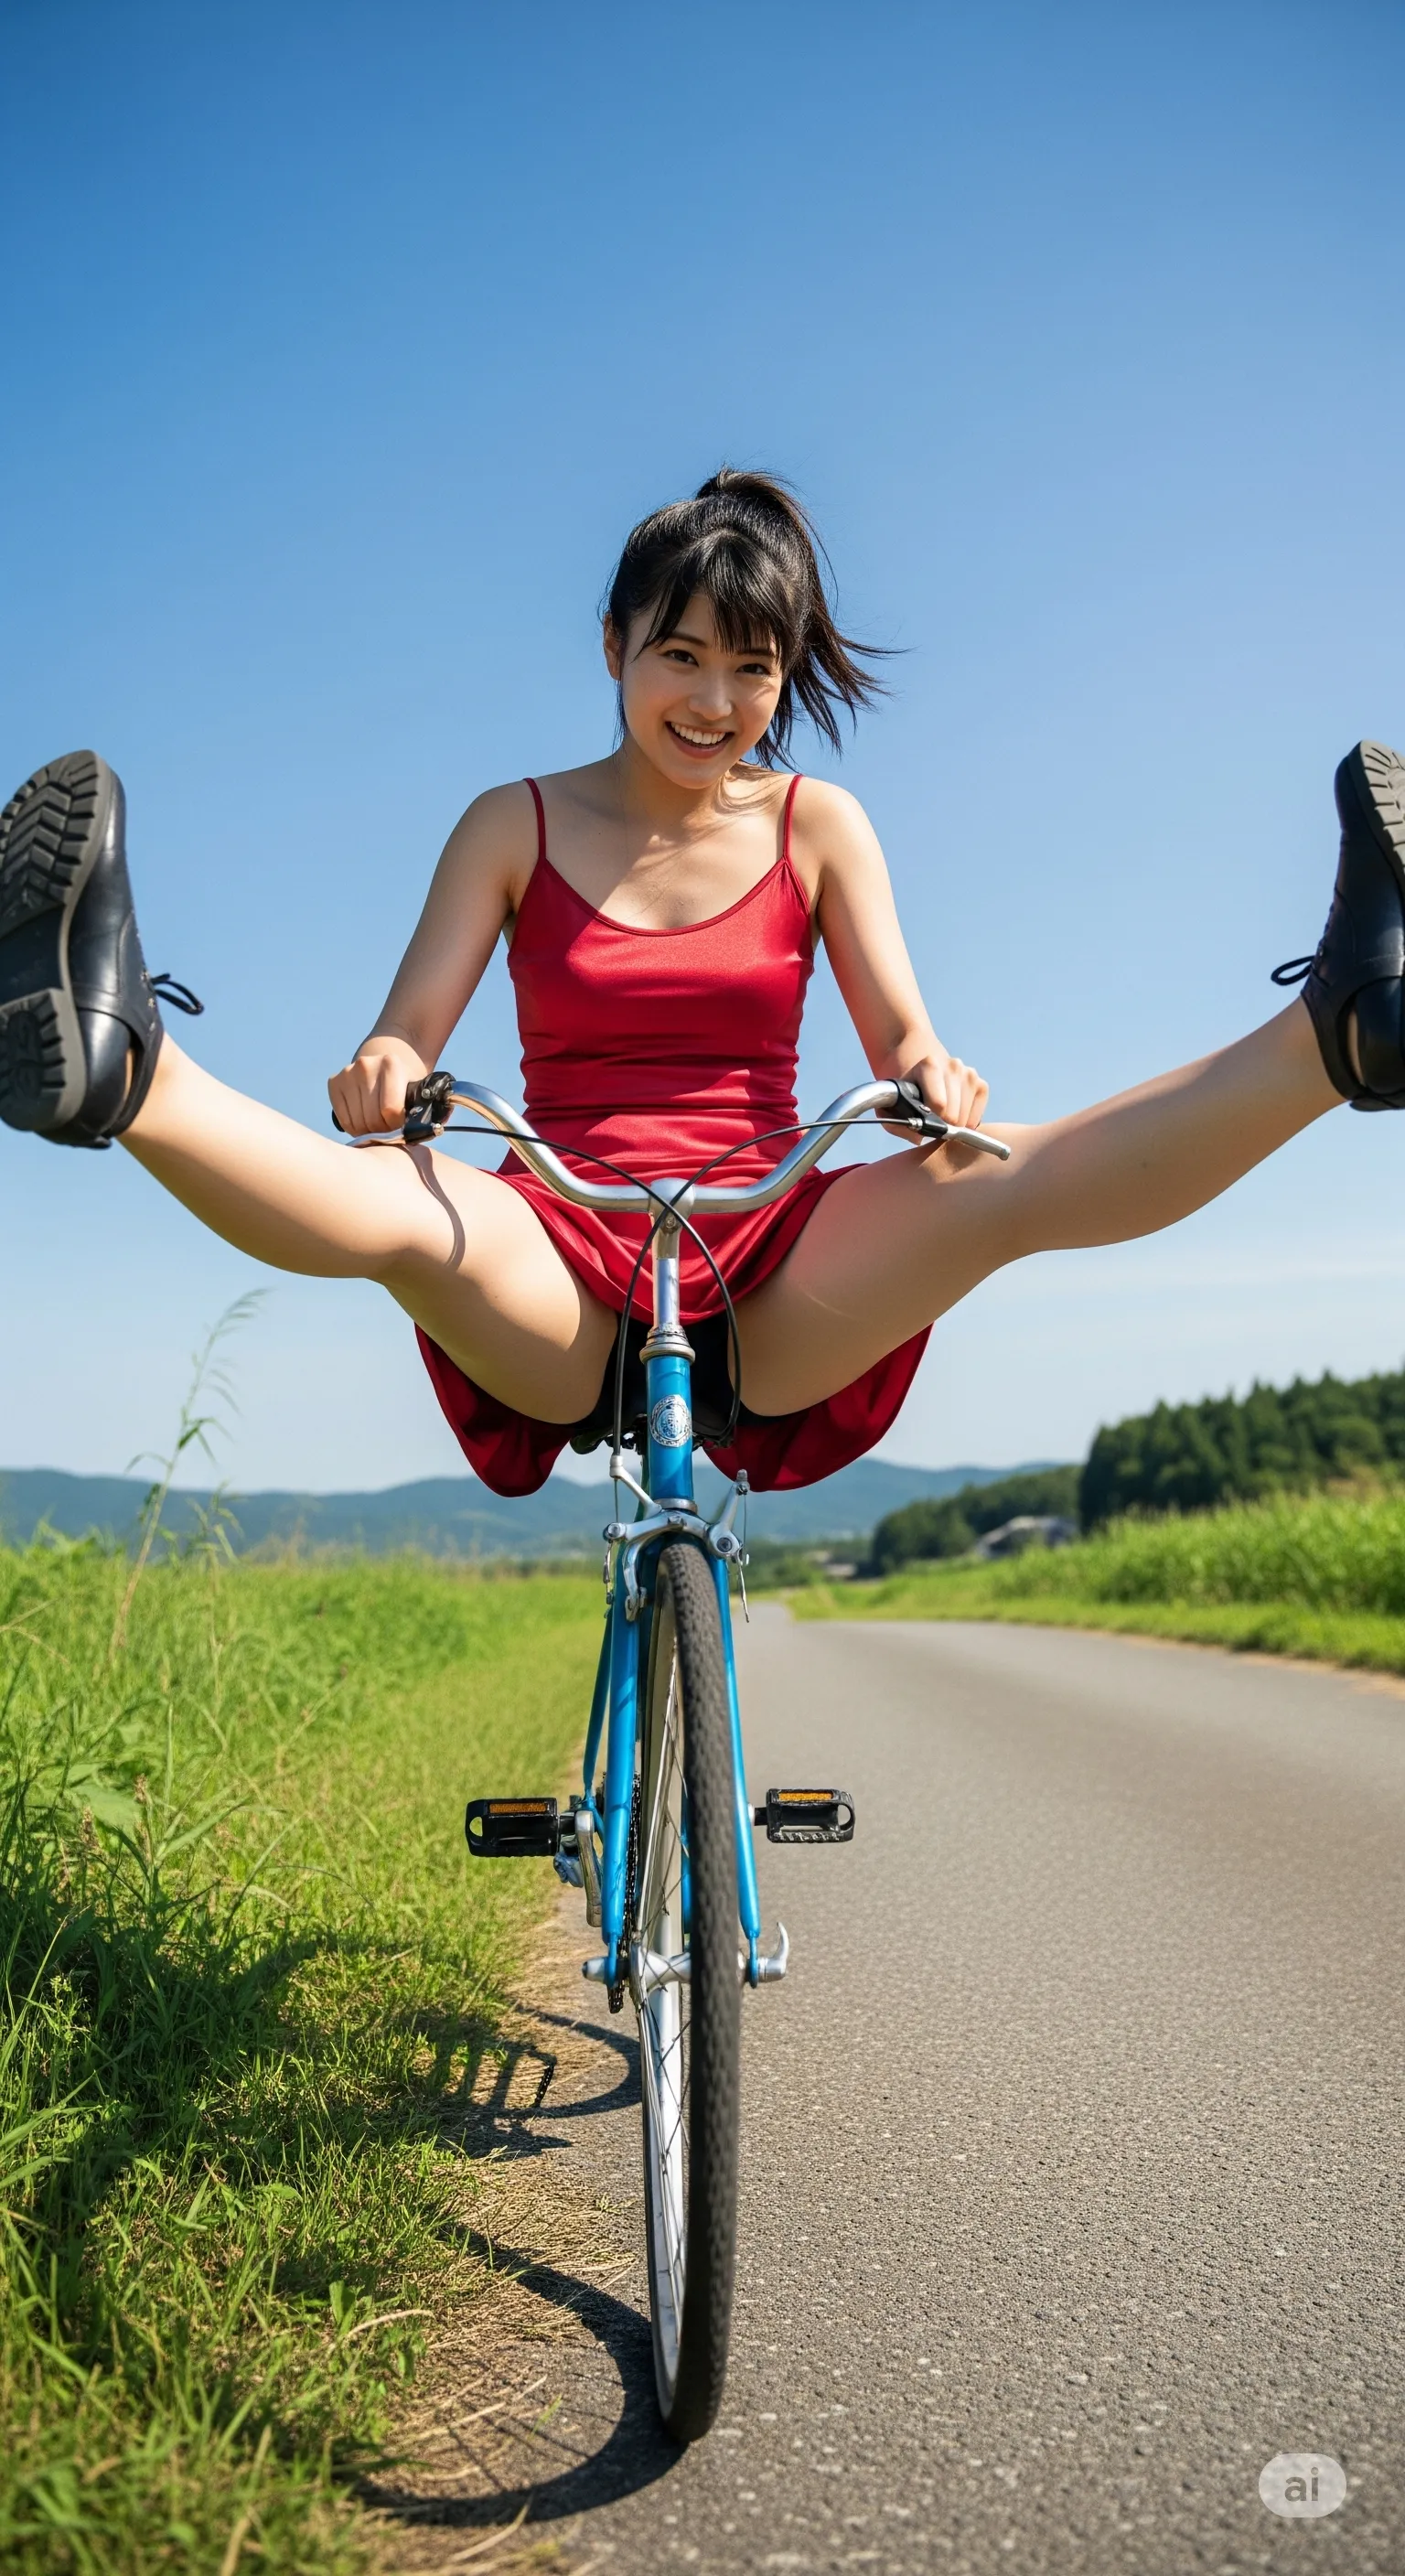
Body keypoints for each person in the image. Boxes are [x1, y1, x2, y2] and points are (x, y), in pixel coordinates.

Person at [0, 468, 1400, 1497]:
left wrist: (932, 1076)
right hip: (565, 1254)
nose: (715, 701)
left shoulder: (820, 826)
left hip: (773, 1254)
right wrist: (384, 1068)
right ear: (612, 648)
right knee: (404, 1212)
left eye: (752, 666)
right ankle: (122, 1064)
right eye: (681, 656)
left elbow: (903, 1028)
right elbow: (404, 1036)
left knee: (998, 1177)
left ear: (783, 676)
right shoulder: (512, 823)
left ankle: (1342, 1028)